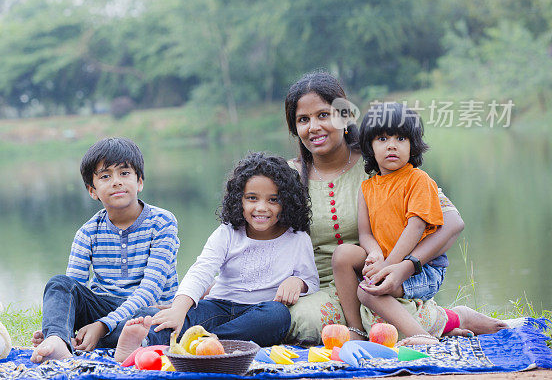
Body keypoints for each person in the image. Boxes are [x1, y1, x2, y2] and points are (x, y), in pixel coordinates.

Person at [283, 70, 506, 344]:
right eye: (303, 120)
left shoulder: (379, 163)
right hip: (317, 288)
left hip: (381, 278)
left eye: (323, 115)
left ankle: (445, 319)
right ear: (295, 128)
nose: (314, 127)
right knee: (298, 322)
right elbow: (253, 232)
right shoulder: (287, 176)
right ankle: (431, 322)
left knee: (347, 321)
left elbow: (450, 222)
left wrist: (406, 266)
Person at [114, 152, 319, 363]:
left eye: (273, 200)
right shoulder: (229, 232)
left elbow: (311, 280)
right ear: (239, 199)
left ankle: (204, 343)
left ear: (287, 202)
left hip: (258, 313)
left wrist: (298, 282)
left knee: (277, 316)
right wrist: (178, 309)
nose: (261, 207)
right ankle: (143, 343)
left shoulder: (297, 238)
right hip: (218, 306)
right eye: (252, 198)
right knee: (163, 316)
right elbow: (202, 270)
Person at [30, 137, 179, 363]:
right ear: (92, 190)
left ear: (139, 182)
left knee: (154, 322)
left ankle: (92, 340)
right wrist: (61, 323)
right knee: (59, 284)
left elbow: (151, 290)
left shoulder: (162, 222)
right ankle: (60, 340)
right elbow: (74, 290)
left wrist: (101, 326)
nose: (116, 182)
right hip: (103, 307)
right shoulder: (87, 232)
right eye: (105, 176)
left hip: (147, 308)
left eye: (125, 173)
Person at [333, 102, 448, 345]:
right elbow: (365, 233)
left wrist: (387, 265)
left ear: (413, 144)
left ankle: (422, 336)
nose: (392, 145)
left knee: (367, 290)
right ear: (369, 146)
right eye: (383, 138)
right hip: (387, 259)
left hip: (421, 269)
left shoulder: (418, 180)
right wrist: (375, 254)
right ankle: (357, 329)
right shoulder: (367, 188)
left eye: (401, 138)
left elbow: (415, 228)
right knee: (342, 254)